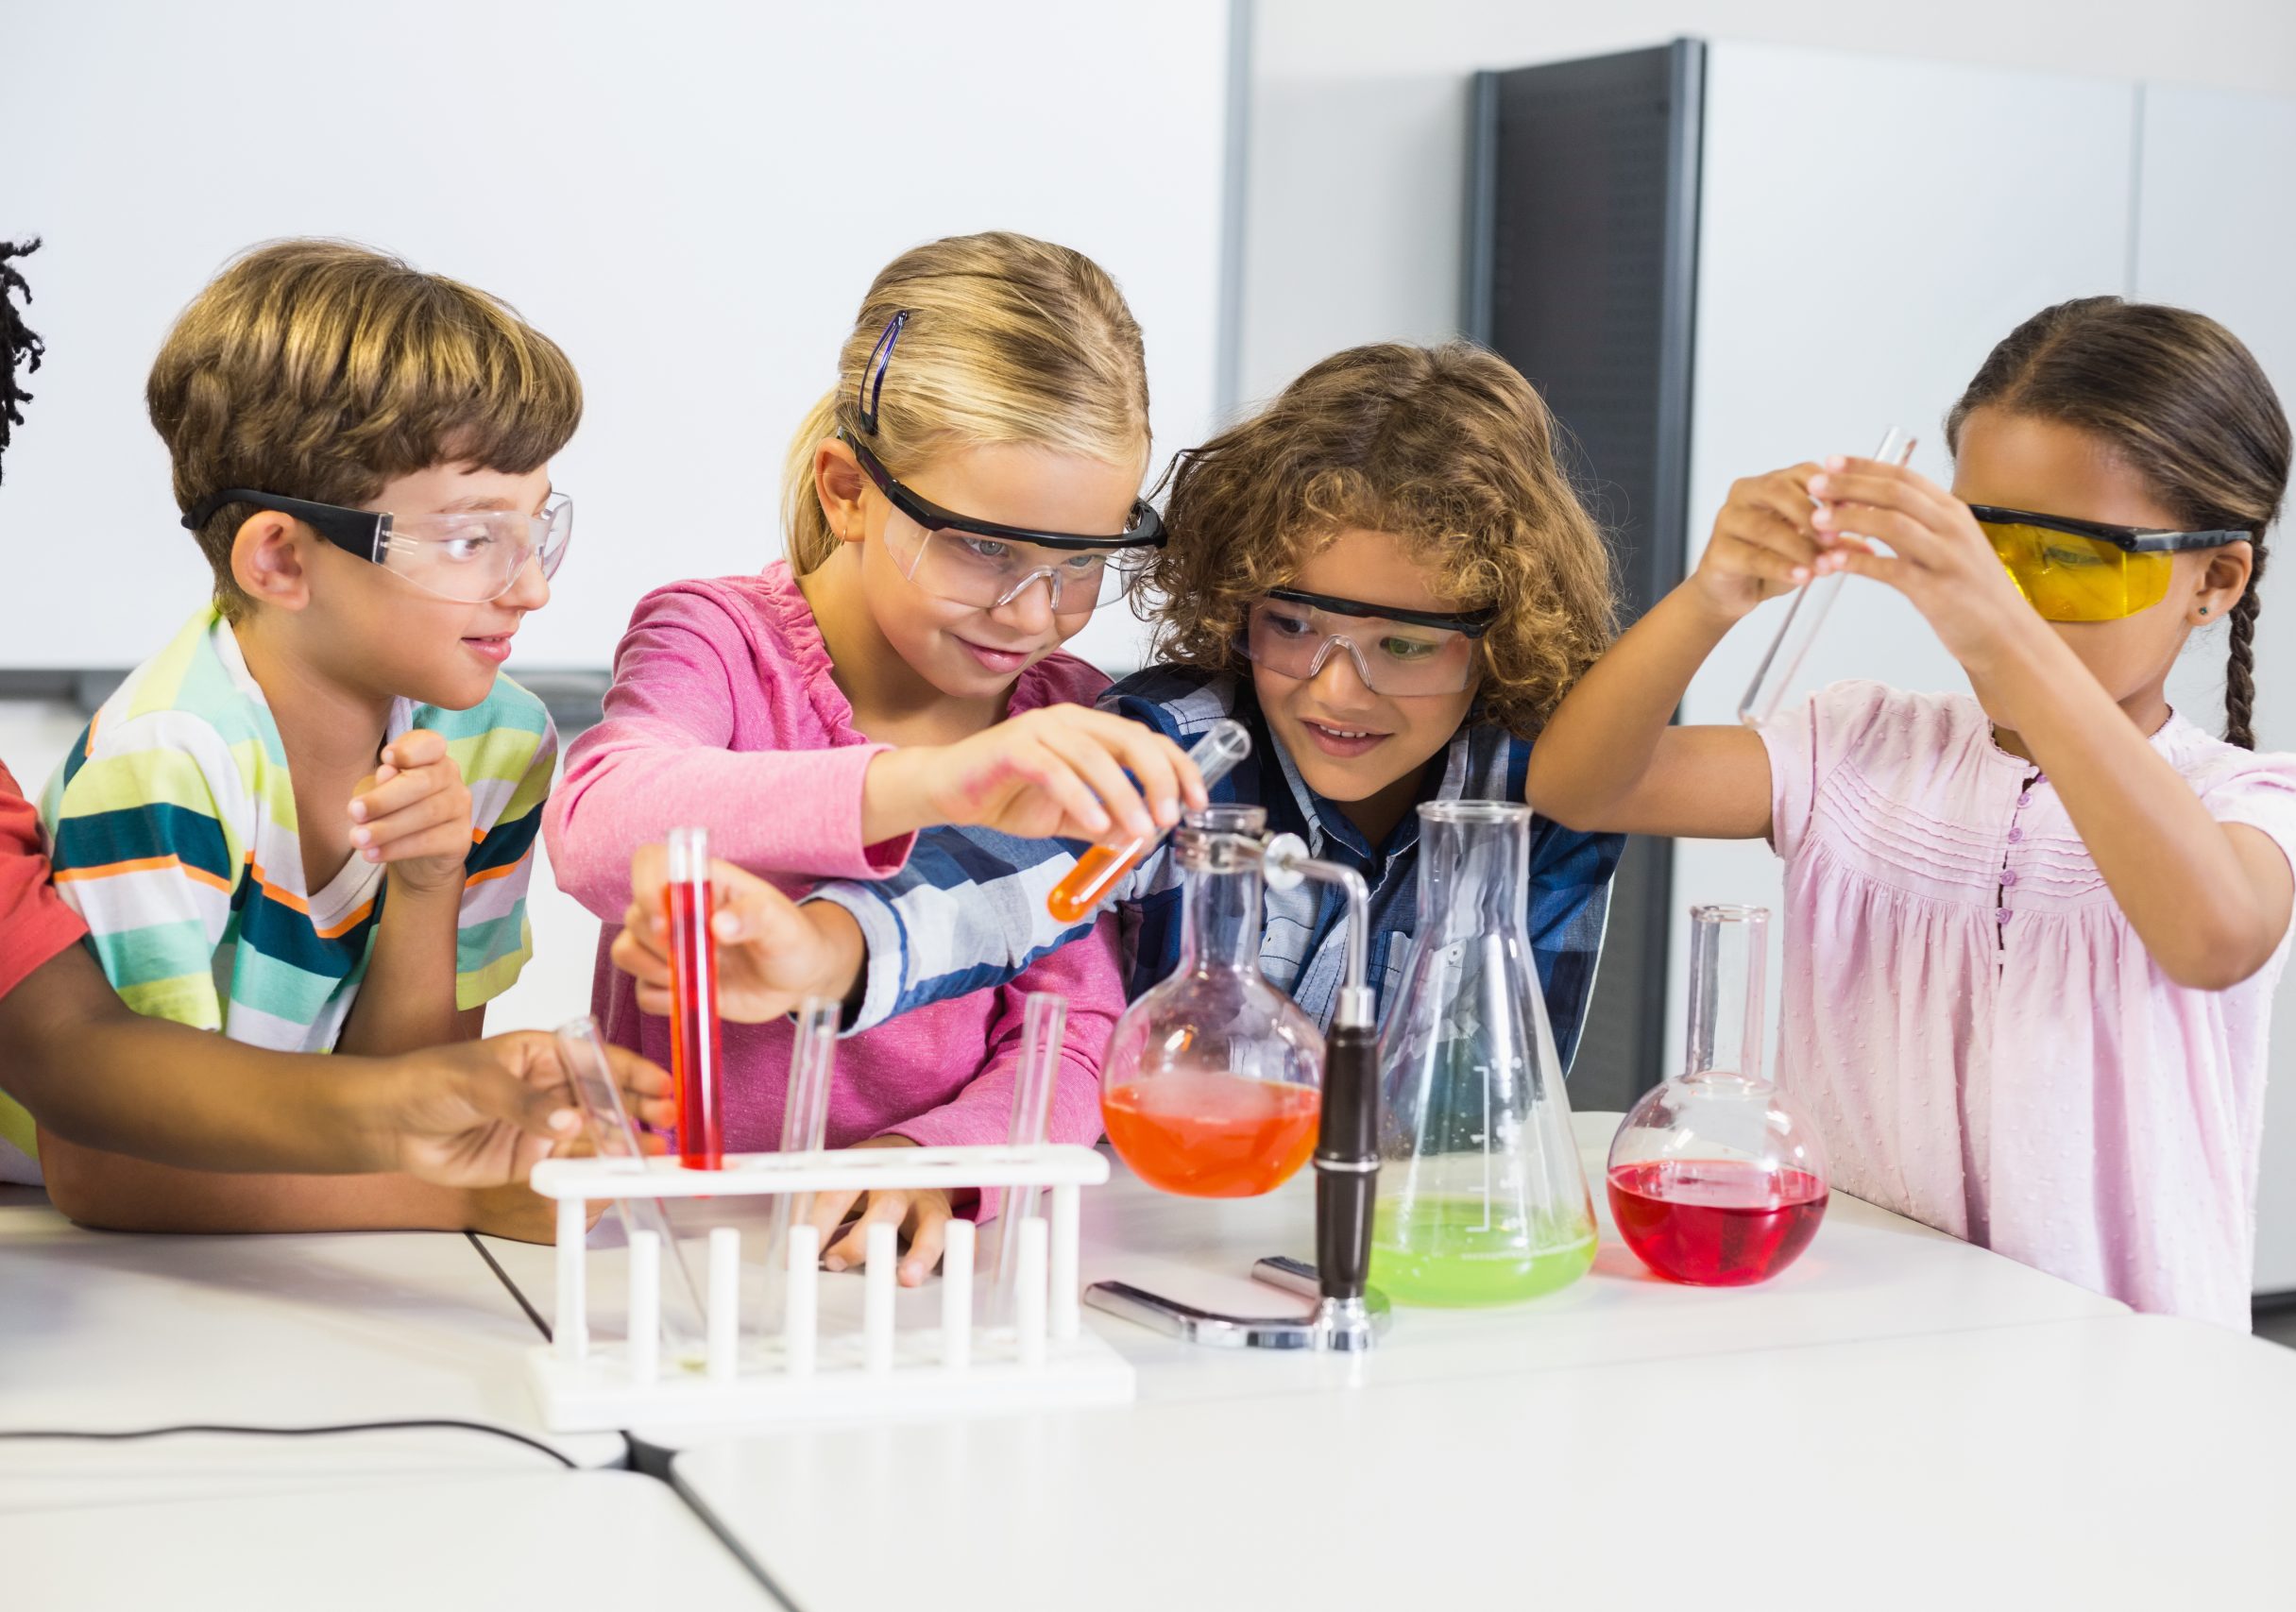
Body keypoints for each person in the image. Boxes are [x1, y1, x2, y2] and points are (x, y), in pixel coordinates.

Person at [1525, 297, 2296, 1328]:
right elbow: (1578, 786)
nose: (2011, 597)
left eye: (2069, 559)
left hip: (2121, 1384)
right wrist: (1712, 593)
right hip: (1865, 1344)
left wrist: (1998, 632)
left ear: (2213, 580)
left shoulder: (2239, 796)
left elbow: (2214, 936)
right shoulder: (1860, 746)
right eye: (1984, 545)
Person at [613, 341, 1626, 1083]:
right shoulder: (1180, 744)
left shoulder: (1543, 791)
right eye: (1289, 624)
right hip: (1163, 1247)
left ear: (1498, 636)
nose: (1333, 689)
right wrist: (822, 955)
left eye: (1400, 644)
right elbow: (996, 885)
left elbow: (1491, 1105)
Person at [543, 233, 1200, 1285]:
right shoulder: (716, 641)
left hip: (914, 1270)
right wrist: (937, 781)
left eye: (1081, 563)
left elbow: (1074, 1026)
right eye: (984, 546)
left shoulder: (1064, 710)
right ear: (847, 489)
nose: (1035, 612)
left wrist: (940, 1160)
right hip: (675, 1268)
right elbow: (594, 833)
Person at [24, 240, 577, 1239]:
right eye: (468, 538)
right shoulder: (167, 763)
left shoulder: (497, 740)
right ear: (280, 557)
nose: (531, 586)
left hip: (290, 1220)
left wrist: (427, 882)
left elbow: (407, 1108)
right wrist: (471, 1197)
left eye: (538, 529)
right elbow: (108, 1171)